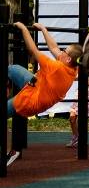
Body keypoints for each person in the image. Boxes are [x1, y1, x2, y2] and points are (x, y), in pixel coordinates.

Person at [5, 22, 82, 166]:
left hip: (30, 101)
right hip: (36, 85)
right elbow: (54, 48)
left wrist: (22, 28)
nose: (62, 52)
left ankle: (11, 151)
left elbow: (32, 50)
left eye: (65, 51)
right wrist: (44, 30)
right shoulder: (72, 68)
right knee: (12, 69)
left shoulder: (56, 68)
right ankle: (7, 87)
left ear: (68, 59)